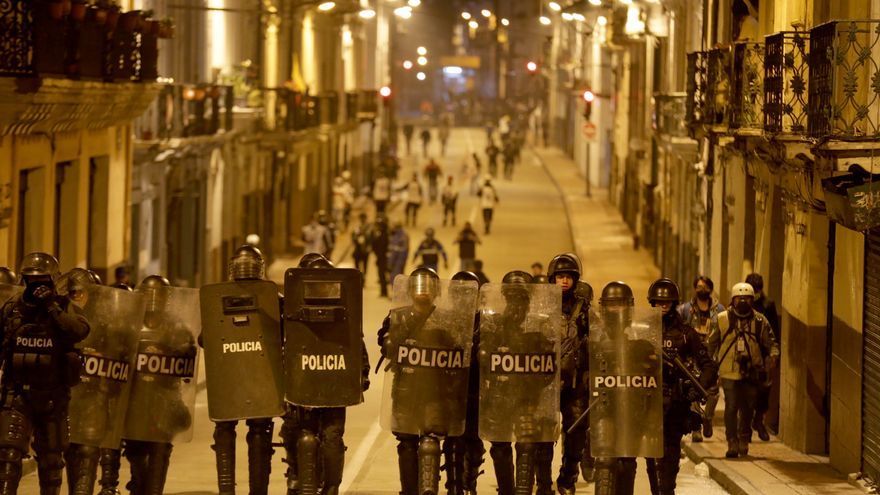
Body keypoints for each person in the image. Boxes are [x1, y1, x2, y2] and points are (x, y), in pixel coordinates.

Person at [0, 253, 90, 495]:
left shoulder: (64, 307)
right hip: (18, 396)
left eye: (43, 281)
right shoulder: (12, 308)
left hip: (53, 397)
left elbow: (79, 331)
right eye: (32, 280)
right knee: (8, 456)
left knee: (51, 461)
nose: (37, 286)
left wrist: (52, 306)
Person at [288, 257, 371, 495]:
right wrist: (361, 375)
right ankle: (320, 485)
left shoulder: (294, 312)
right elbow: (356, 343)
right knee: (326, 435)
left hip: (310, 384)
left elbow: (355, 343)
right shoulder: (343, 311)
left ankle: (308, 482)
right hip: (326, 383)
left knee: (310, 434)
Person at [202, 246, 277, 495]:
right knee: (260, 429)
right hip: (261, 376)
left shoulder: (218, 298)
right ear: (260, 268)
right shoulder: (273, 299)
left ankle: (226, 489)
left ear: (232, 269)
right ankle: (258, 491)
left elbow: (206, 339)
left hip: (229, 375)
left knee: (224, 427)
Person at [123, 275, 198, 495]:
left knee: (160, 451)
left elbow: (187, 359)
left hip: (164, 399)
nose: (154, 299)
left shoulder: (175, 326)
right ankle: (138, 485)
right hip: (136, 399)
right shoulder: (130, 324)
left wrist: (185, 348)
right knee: (136, 452)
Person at [645, 278, 717, 495]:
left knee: (670, 455)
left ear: (674, 303)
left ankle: (666, 490)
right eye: (658, 301)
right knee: (648, 456)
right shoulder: (641, 331)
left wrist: (697, 387)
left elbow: (708, 366)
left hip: (674, 402)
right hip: (646, 400)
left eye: (667, 302)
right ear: (652, 302)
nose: (663, 305)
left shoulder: (686, 334)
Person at [707, 282, 779, 458]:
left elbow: (771, 342)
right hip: (728, 370)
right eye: (740, 298)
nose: (743, 301)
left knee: (748, 407)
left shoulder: (760, 321)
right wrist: (708, 365)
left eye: (747, 298)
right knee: (731, 406)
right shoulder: (722, 319)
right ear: (733, 299)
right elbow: (712, 343)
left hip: (752, 369)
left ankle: (744, 439)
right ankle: (732, 441)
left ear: (752, 300)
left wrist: (773, 356)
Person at [548, 254, 592, 493]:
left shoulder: (584, 309)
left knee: (576, 430)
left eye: (568, 277)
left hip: (575, 380)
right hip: (546, 379)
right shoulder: (542, 306)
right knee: (540, 432)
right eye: (559, 277)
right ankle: (543, 480)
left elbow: (598, 339)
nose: (564, 281)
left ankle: (568, 477)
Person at [442, 271, 484, 495]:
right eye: (460, 293)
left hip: (477, 392)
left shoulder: (486, 321)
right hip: (451, 391)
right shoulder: (444, 319)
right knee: (453, 442)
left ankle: (470, 483)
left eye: (470, 293)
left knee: (475, 446)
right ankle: (454, 487)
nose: (464, 298)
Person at [677, 275, 726, 441]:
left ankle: (708, 418)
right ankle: (696, 427)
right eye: (698, 287)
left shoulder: (719, 310)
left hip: (711, 356)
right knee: (694, 387)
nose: (701, 290)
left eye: (705, 287)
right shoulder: (685, 309)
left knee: (713, 391)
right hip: (692, 356)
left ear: (710, 289)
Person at [744, 273, 780, 441]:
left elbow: (774, 332)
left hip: (763, 355)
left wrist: (773, 354)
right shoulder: (740, 303)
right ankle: (745, 429)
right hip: (744, 354)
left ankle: (759, 420)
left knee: (763, 390)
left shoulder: (767, 305)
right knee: (745, 393)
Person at [372, 215, 391, 298]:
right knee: (381, 275)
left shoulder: (384, 235)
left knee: (382, 275)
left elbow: (381, 247)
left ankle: (384, 292)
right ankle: (383, 291)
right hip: (380, 257)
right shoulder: (380, 234)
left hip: (383, 258)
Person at [352, 213, 373, 285]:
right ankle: (358, 278)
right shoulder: (357, 228)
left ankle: (363, 279)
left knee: (364, 266)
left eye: (363, 218)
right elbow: (353, 237)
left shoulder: (369, 228)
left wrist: (369, 247)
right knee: (357, 266)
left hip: (365, 251)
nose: (362, 220)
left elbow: (371, 239)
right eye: (361, 218)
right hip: (358, 250)